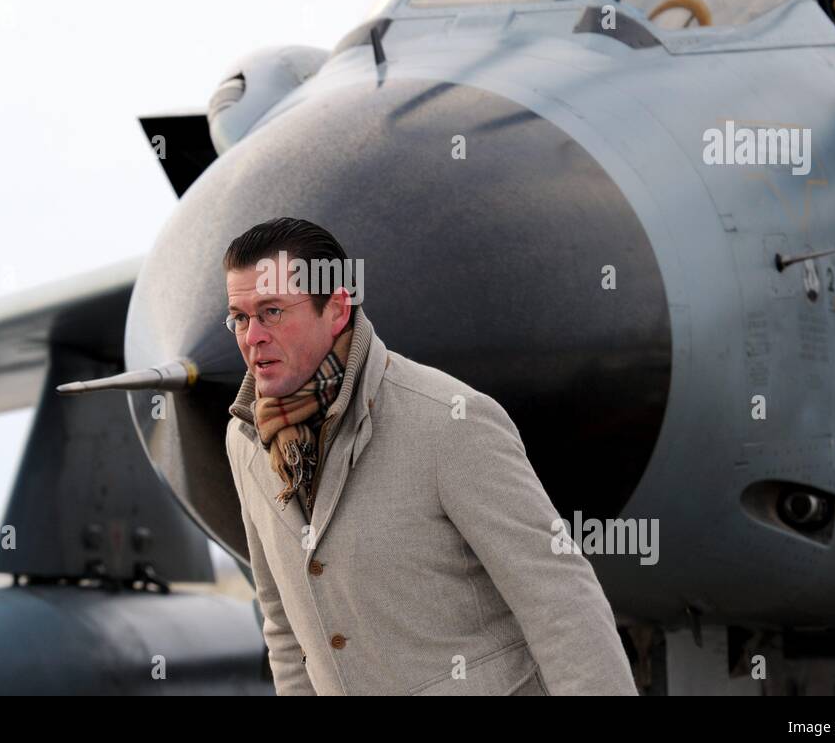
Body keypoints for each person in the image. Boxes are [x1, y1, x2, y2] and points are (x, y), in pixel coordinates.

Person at [223, 216, 638, 695]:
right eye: (239, 317)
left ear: (336, 308)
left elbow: (562, 602)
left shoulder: (450, 420)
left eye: (272, 311)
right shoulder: (247, 441)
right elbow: (285, 628)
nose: (252, 336)